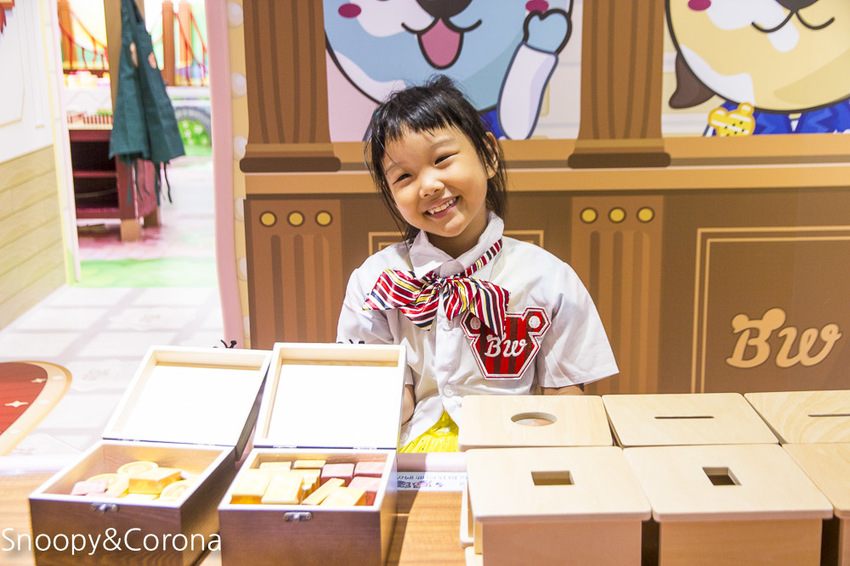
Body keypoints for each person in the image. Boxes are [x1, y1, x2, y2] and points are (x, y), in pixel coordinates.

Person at [336, 75, 618, 452]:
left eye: (442, 159)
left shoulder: (548, 278)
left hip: (515, 451)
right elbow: (389, 402)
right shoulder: (375, 282)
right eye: (404, 176)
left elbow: (563, 396)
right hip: (411, 456)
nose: (429, 185)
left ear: (487, 155)